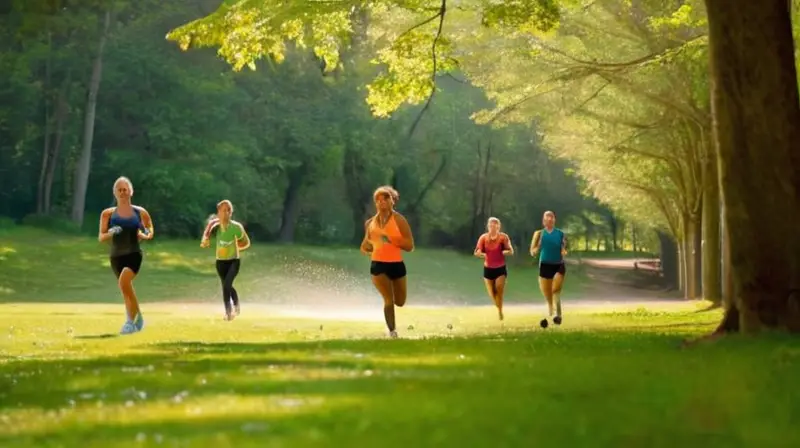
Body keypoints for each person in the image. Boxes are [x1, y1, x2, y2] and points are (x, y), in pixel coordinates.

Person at [97, 176, 154, 335]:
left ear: (131, 192)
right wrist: (110, 232)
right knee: (126, 289)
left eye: (125, 189)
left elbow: (150, 230)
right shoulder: (108, 214)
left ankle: (135, 319)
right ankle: (133, 321)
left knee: (124, 283)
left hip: (134, 254)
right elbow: (101, 237)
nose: (122, 192)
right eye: (119, 190)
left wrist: (145, 234)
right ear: (115, 193)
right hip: (116, 257)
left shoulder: (140, 212)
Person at [360, 185, 415, 338]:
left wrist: (391, 240)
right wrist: (369, 247)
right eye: (378, 200)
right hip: (378, 265)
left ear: (393, 201)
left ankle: (392, 330)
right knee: (388, 299)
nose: (382, 202)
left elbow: (410, 246)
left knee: (400, 301)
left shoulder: (399, 220)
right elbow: (365, 245)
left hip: (397, 265)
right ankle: (392, 332)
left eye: (386, 199)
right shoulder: (370, 223)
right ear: (375, 203)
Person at [201, 200, 251, 321]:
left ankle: (229, 313)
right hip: (220, 262)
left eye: (229, 210)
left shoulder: (236, 227)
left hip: (234, 261)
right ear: (218, 212)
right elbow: (206, 235)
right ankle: (236, 304)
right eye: (224, 210)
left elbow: (246, 243)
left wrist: (234, 247)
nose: (226, 213)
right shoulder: (215, 226)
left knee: (227, 285)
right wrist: (205, 241)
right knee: (226, 286)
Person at [530, 210, 567, 327]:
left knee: (556, 290)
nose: (550, 220)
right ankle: (552, 312)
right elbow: (533, 252)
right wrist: (539, 246)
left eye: (552, 217)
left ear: (555, 220)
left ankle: (558, 316)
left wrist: (563, 250)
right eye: (547, 218)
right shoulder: (539, 234)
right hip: (545, 265)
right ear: (543, 221)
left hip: (558, 265)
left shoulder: (561, 234)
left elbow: (564, 248)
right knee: (548, 294)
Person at [474, 217, 514, 321]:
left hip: (500, 268)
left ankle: (500, 312)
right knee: (492, 294)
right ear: (488, 226)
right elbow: (477, 251)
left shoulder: (503, 237)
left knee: (499, 289)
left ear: (498, 227)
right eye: (491, 225)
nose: (493, 227)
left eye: (495, 225)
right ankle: (499, 308)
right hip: (488, 269)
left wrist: (502, 252)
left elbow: (511, 251)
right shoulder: (483, 238)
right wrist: (480, 254)